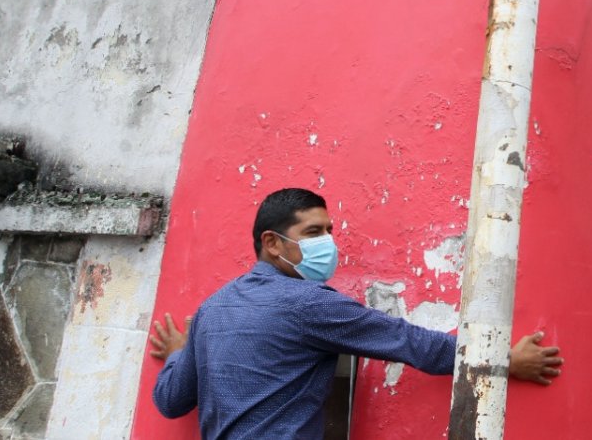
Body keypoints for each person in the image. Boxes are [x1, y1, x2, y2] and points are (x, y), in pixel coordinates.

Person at [149, 187, 562, 438]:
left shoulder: (212, 309)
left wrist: (180, 353)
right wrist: (504, 361)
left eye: (329, 231)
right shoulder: (311, 304)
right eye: (313, 233)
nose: (328, 242)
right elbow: (412, 343)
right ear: (272, 243)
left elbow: (170, 400)